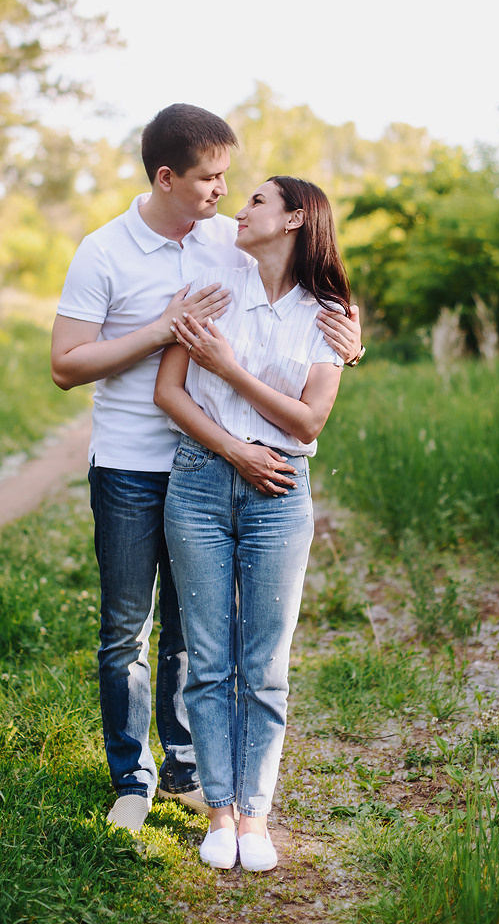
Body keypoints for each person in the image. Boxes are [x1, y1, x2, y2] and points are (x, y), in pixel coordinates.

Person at [51, 106, 363, 834]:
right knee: (128, 628)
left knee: (195, 633)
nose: (223, 191)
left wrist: (350, 342)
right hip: (132, 463)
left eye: (230, 177)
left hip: (205, 465)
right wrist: (165, 326)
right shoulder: (104, 252)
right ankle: (132, 776)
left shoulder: (227, 239)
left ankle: (188, 770)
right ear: (167, 178)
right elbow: (66, 366)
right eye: (209, 178)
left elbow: (304, 286)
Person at [154, 175, 351, 872]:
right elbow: (168, 391)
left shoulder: (329, 315)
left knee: (264, 666)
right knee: (208, 661)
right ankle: (219, 811)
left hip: (280, 488)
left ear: (296, 219)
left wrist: (231, 370)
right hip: (201, 482)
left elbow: (307, 420)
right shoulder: (214, 290)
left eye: (258, 202)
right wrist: (231, 448)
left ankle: (256, 817)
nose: (240, 209)